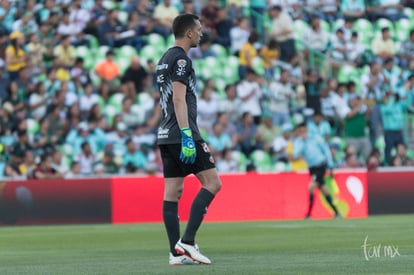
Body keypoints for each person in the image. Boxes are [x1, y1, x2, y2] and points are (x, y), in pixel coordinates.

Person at [156, 14, 222, 266]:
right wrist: (186, 135)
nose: (202, 32)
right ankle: (188, 242)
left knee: (173, 192)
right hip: (181, 133)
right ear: (189, 33)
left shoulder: (163, 59)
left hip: (165, 134)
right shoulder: (181, 59)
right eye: (199, 29)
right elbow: (177, 98)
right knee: (213, 183)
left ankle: (175, 253)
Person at [293, 123, 340, 219]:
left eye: (304, 130)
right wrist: (303, 141)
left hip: (320, 165)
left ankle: (309, 214)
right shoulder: (299, 141)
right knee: (324, 190)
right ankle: (336, 212)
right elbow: (296, 154)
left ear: (307, 129)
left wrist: (330, 166)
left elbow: (326, 149)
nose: (303, 132)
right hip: (312, 168)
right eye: (301, 131)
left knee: (311, 187)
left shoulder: (316, 138)